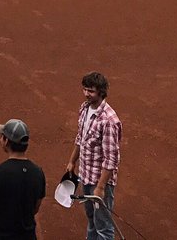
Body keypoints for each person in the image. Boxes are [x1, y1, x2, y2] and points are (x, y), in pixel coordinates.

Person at [64, 72, 122, 240]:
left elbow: (111, 159)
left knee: (104, 227)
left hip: (99, 181)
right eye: (85, 90)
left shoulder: (109, 121)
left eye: (91, 91)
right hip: (86, 176)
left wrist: (101, 187)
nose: (87, 94)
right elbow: (80, 138)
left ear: (101, 92)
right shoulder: (84, 108)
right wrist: (72, 161)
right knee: (92, 219)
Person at [0, 118, 46, 240]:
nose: (0, 139)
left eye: (2, 136)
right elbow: (35, 208)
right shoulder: (38, 173)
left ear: (6, 141)